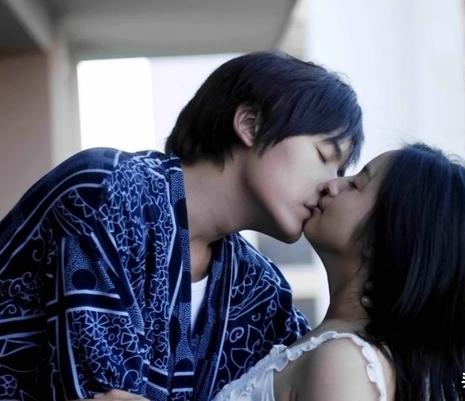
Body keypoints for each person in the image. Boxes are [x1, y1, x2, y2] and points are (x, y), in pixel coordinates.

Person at [0, 51, 363, 400]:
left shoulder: (260, 290)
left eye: (340, 170)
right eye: (324, 155)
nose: (331, 184)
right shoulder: (108, 190)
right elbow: (103, 393)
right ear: (250, 125)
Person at [96, 142, 465, 401]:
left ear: (392, 235)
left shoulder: (345, 362)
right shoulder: (314, 341)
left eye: (358, 183)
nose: (332, 185)